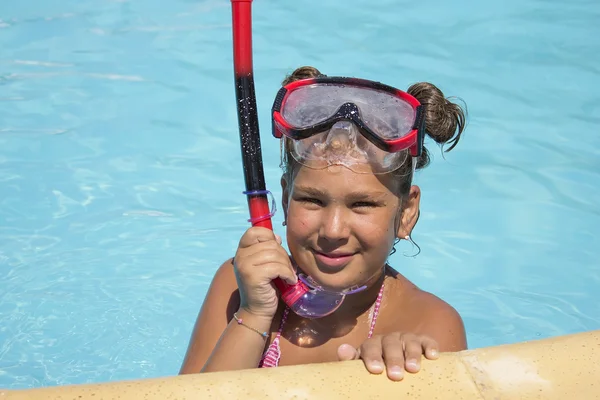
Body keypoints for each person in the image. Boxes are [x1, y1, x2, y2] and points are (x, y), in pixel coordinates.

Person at [180, 66, 468, 381]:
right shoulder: (238, 286)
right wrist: (253, 315)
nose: (332, 230)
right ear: (286, 198)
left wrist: (393, 377)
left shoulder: (429, 324)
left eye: (362, 204)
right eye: (313, 201)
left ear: (406, 213)